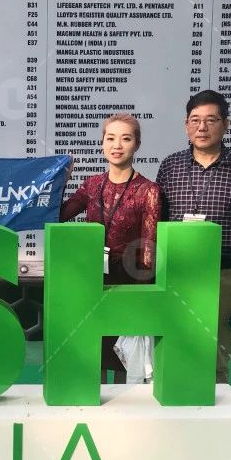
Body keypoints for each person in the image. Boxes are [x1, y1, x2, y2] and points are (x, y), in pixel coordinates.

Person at [156, 89, 231, 384]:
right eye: (195, 120)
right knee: (173, 351)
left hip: (223, 277)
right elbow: (156, 225)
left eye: (211, 120)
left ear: (225, 124)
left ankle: (213, 411)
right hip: (175, 277)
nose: (202, 127)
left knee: (215, 357)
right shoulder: (170, 167)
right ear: (186, 125)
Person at [60, 113, 160, 383]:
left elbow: (149, 247)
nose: (117, 145)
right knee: (95, 352)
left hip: (130, 283)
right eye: (110, 138)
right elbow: (59, 215)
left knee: (126, 357)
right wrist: (61, 181)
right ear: (102, 143)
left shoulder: (149, 190)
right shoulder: (92, 185)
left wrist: (142, 296)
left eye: (125, 139)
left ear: (137, 144)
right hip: (94, 281)